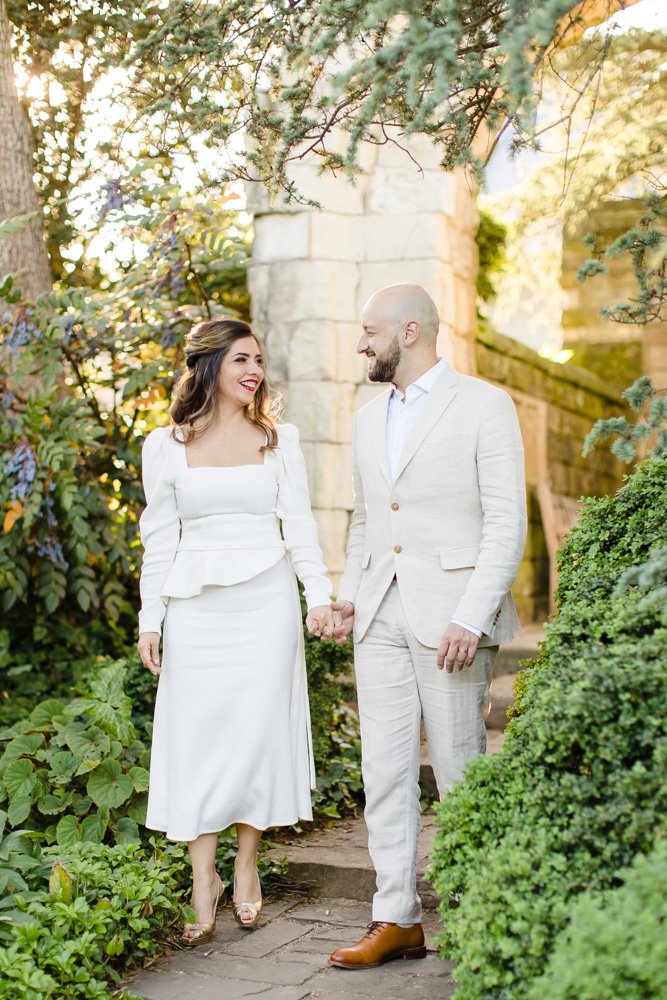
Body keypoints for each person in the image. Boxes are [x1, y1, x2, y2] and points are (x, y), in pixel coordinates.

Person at [328, 284, 527, 969]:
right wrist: (351, 594)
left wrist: (470, 614)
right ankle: (395, 919)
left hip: (450, 619)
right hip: (379, 612)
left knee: (459, 771)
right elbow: (365, 518)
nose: (360, 344)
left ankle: (478, 917)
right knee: (382, 772)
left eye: (367, 332)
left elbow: (506, 522)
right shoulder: (363, 416)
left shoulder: (484, 405)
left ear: (408, 332)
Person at [136, 317, 335, 945]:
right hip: (195, 608)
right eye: (241, 360)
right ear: (209, 366)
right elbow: (159, 539)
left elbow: (299, 526)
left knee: (255, 735)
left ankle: (245, 866)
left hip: (266, 605)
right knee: (198, 738)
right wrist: (152, 615)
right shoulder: (164, 445)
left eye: (258, 360)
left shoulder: (280, 440)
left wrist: (319, 596)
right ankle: (203, 881)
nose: (254, 371)